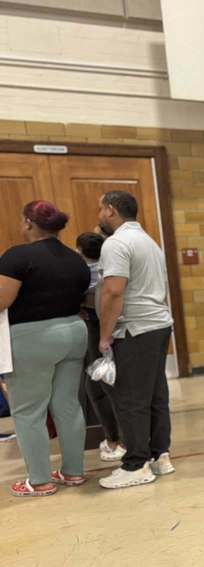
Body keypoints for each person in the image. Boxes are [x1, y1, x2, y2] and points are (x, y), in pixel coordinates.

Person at [0, 201, 90, 497]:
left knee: (28, 410)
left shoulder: (17, 256)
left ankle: (39, 480)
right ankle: (73, 472)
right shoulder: (75, 259)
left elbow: (2, 300)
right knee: (67, 405)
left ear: (28, 222)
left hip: (32, 338)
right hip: (74, 332)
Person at [96, 190, 176, 488]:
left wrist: (105, 335)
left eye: (101, 209)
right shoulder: (149, 241)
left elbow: (113, 291)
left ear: (111, 210)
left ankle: (136, 465)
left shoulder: (116, 243)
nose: (99, 215)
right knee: (155, 394)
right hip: (157, 325)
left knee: (131, 399)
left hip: (135, 329)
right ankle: (159, 456)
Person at [77, 231, 124, 463]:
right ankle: (122, 437)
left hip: (97, 329)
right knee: (115, 384)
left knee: (98, 385)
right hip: (119, 327)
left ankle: (116, 439)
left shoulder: (83, 274)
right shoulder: (111, 269)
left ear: (80, 251)